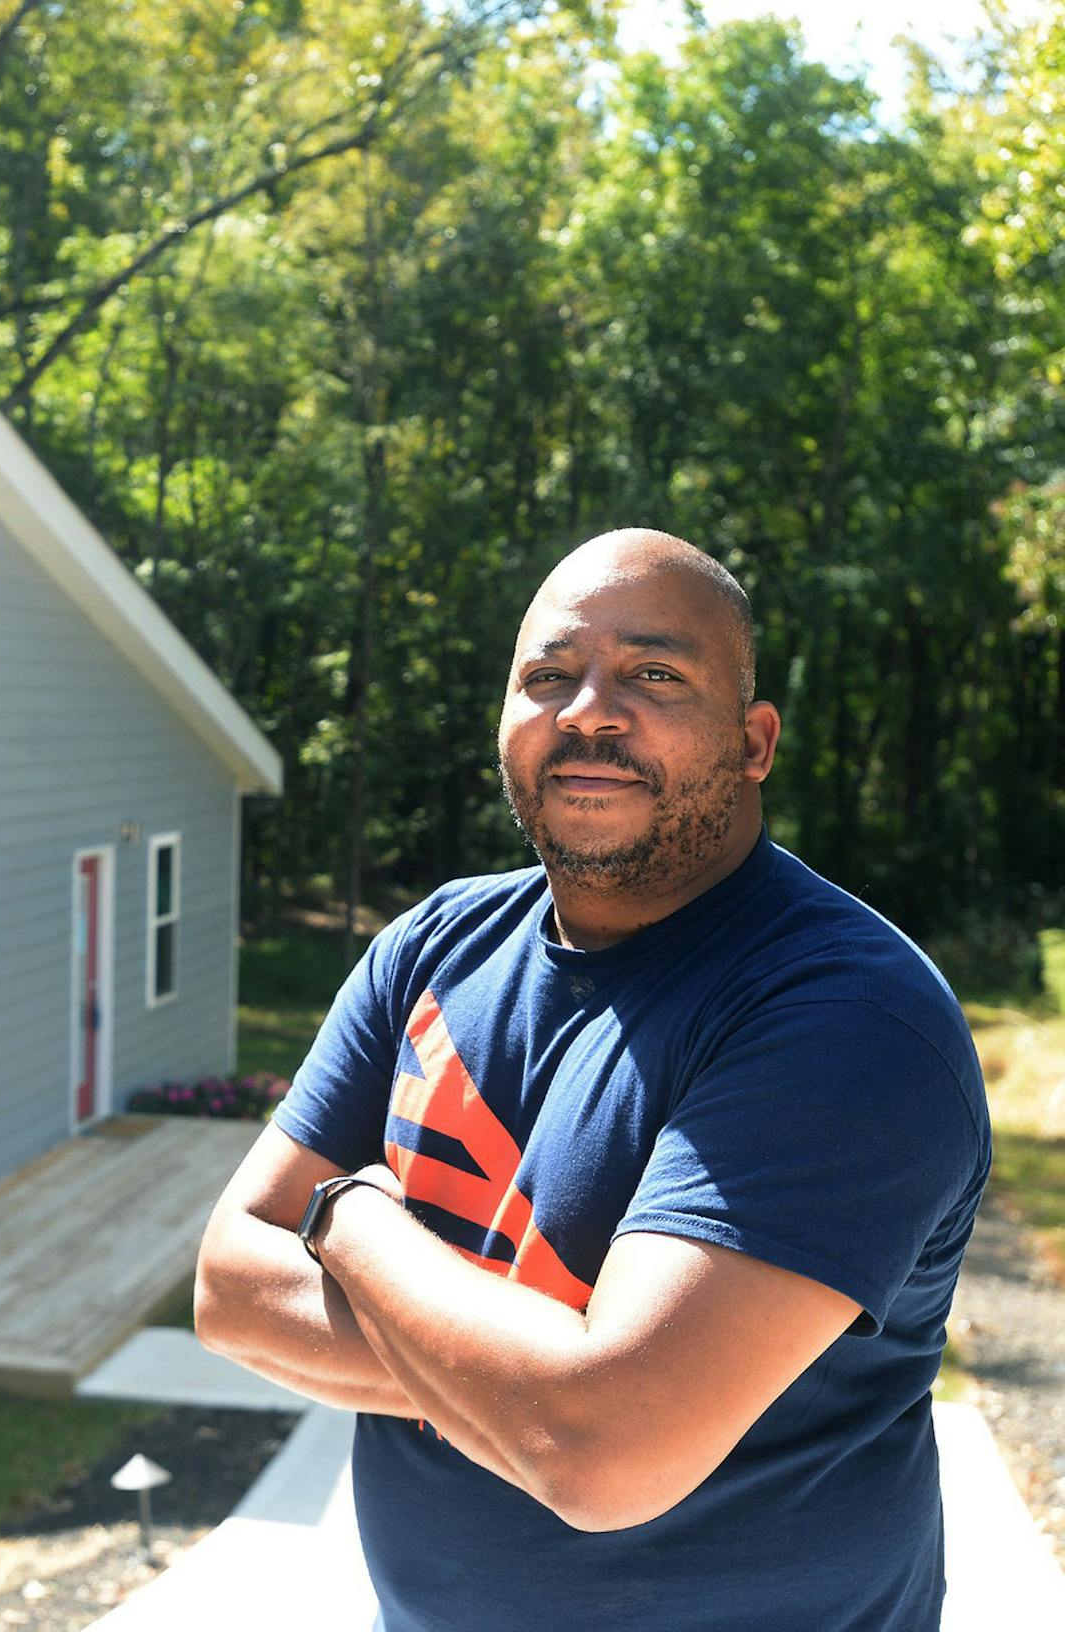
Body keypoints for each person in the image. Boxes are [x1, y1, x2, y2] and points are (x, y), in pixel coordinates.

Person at [194, 529, 991, 1631]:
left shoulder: (847, 1015)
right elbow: (230, 1291)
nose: (589, 713)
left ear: (754, 741)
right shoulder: (434, 946)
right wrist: (537, 1394)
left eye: (654, 674)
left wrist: (350, 1215)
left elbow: (606, 1451)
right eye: (549, 677)